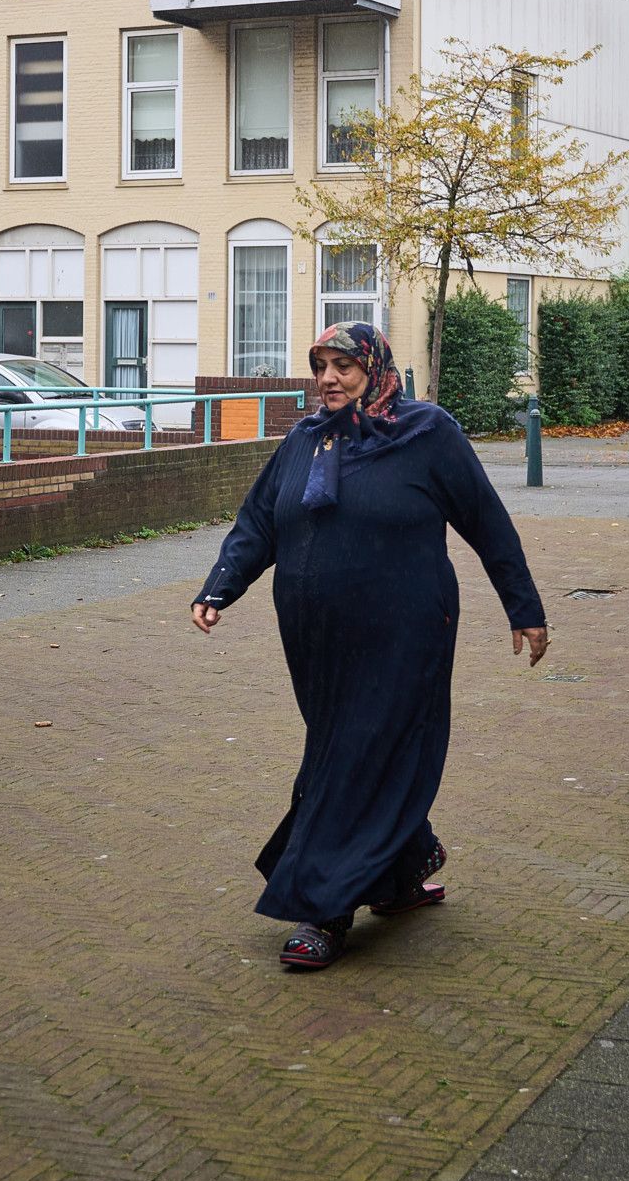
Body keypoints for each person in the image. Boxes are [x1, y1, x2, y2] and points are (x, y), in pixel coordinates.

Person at [190, 321, 549, 970]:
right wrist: (220, 585)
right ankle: (406, 865)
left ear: (375, 368)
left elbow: (487, 521)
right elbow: (260, 522)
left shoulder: (427, 433)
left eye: (343, 367)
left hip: (406, 632)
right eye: (320, 366)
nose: (328, 379)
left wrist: (523, 607)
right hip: (317, 641)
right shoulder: (305, 439)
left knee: (350, 756)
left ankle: (323, 908)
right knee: (355, 748)